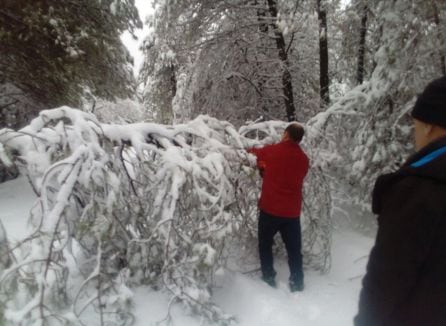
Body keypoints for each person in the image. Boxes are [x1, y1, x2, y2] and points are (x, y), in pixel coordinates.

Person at [355, 75, 446, 326]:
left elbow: (385, 281)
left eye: (414, 123)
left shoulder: (419, 190)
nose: (414, 131)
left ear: (429, 125)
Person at [248, 122, 309, 292]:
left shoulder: (272, 151)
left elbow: (254, 154)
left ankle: (269, 277)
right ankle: (297, 282)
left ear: (286, 135)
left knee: (265, 244)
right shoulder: (304, 159)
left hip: (270, 209)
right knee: (294, 249)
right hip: (292, 213)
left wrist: (262, 167)